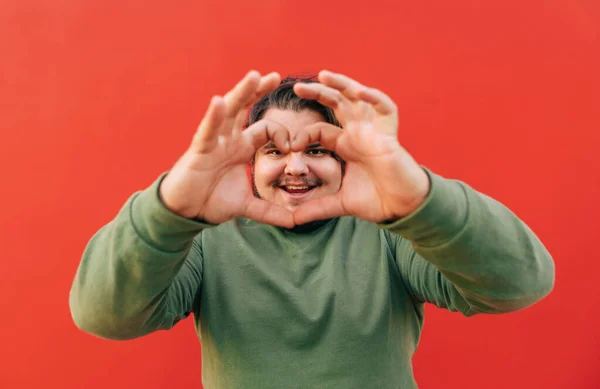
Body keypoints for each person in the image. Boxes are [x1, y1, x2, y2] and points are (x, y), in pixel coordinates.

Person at [69, 70, 555, 389]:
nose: (295, 168)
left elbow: (519, 285)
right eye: (275, 151)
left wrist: (418, 199)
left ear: (346, 159)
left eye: (317, 149)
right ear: (249, 162)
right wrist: (171, 208)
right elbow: (103, 315)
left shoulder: (390, 232)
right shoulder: (205, 238)